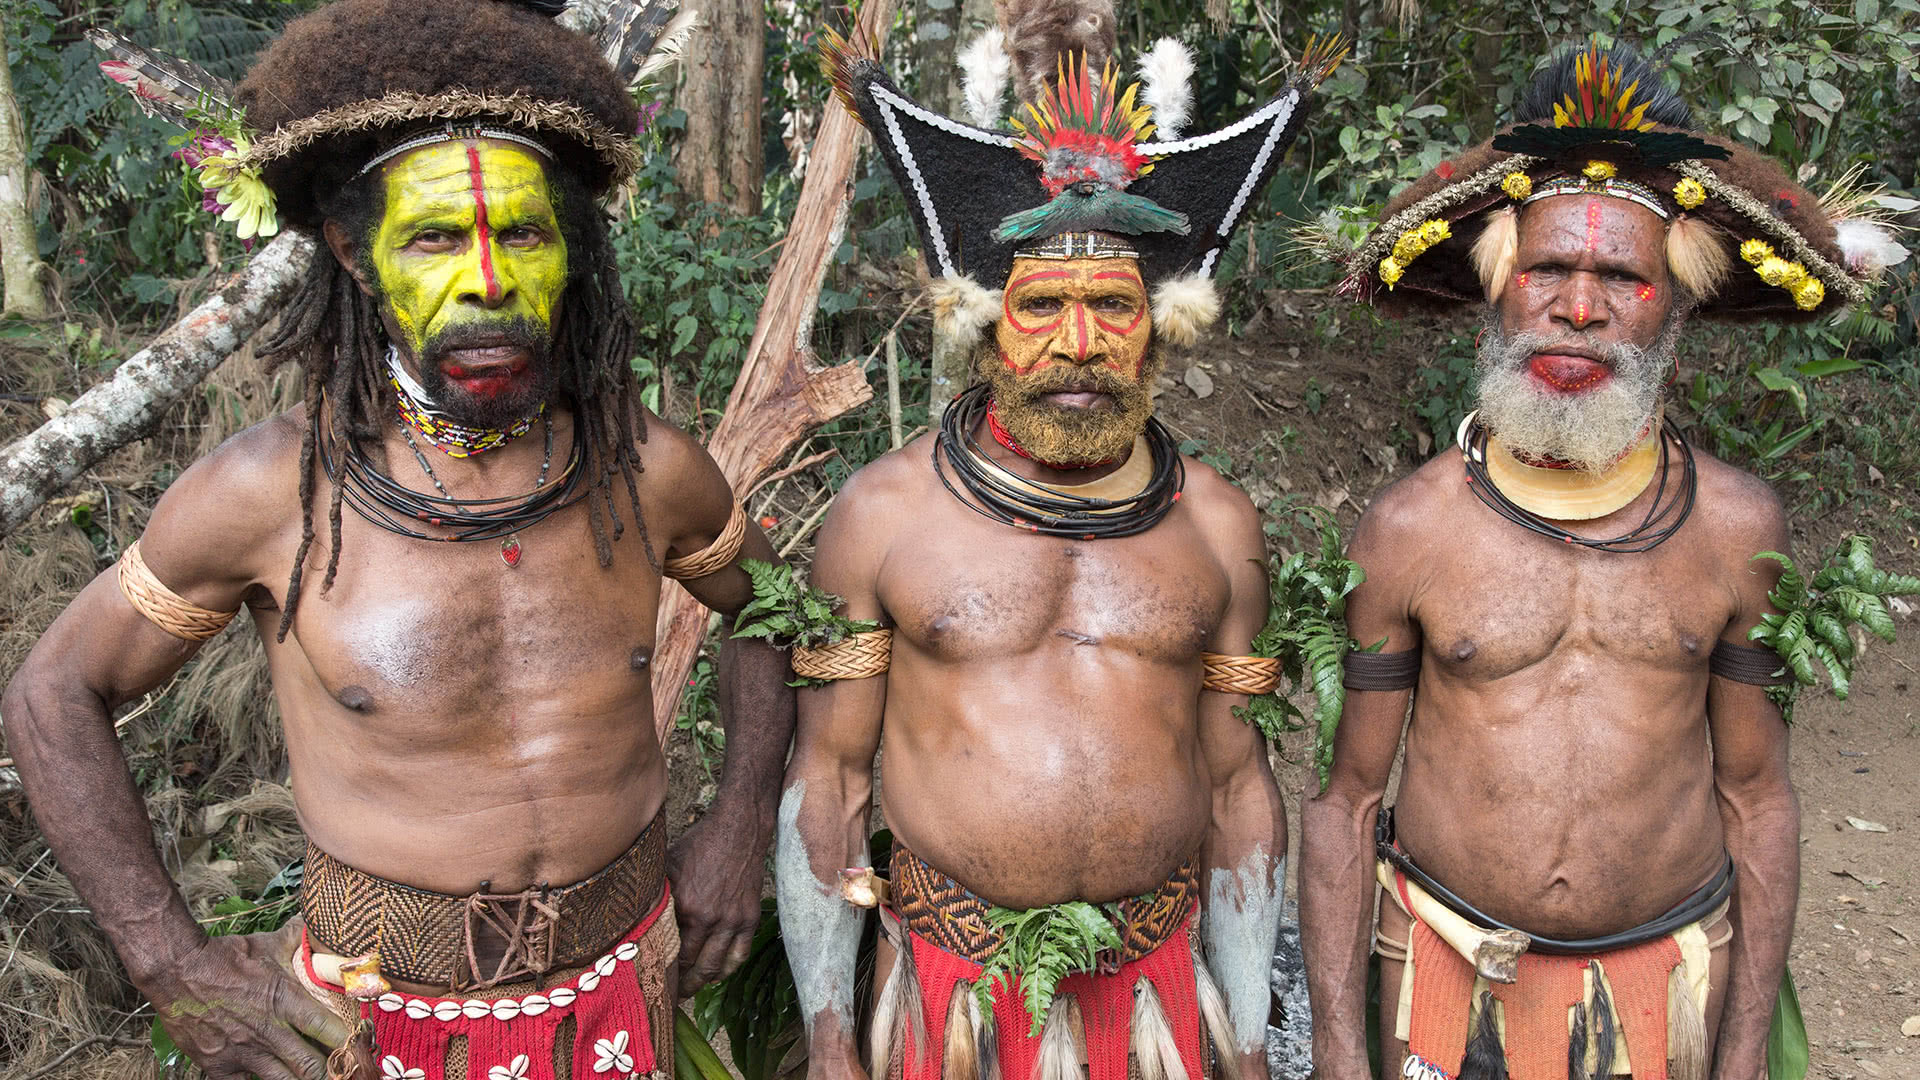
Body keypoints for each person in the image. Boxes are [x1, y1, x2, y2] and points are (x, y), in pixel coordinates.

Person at [1, 3, 785, 1078]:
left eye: (522, 233)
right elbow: (54, 693)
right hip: (377, 1026)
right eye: (433, 237)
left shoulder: (648, 470)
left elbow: (782, 611)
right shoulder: (267, 494)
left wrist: (742, 826)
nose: (488, 281)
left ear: (572, 247)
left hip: (628, 991)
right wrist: (168, 960)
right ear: (353, 253)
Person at [1298, 40, 1903, 1080]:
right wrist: (1341, 1057)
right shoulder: (1409, 529)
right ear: (1499, 287)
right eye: (1547, 270)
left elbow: (1758, 798)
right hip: (1443, 978)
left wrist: (1746, 1054)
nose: (1578, 308)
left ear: (1675, 302)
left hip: (1668, 986)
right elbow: (1348, 801)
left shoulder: (1734, 529)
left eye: (1620, 275)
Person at [773, 10, 1342, 1080]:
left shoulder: (1216, 524)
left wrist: (1254, 1042)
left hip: (1156, 1008)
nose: (1079, 345)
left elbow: (1237, 790)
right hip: (950, 1005)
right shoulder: (886, 515)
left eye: (1112, 306)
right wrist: (830, 1041)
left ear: (1161, 322)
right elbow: (832, 775)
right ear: (987, 319)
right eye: (1043, 307)